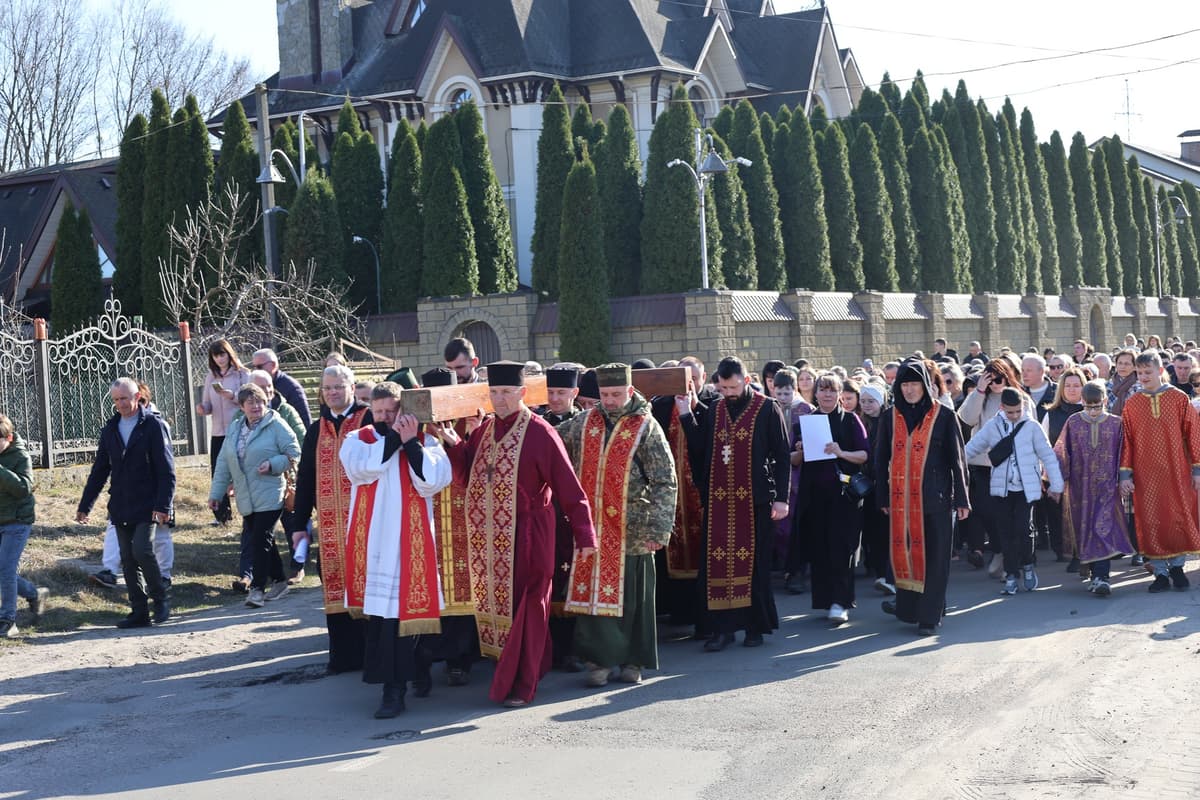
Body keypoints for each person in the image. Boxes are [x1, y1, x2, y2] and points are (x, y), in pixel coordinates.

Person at [440, 361, 596, 708]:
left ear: (522, 393)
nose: (501, 399)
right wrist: (455, 444)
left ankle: (520, 684)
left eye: (507, 392)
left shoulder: (541, 432)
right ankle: (528, 669)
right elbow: (466, 478)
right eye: (494, 393)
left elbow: (570, 487)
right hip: (493, 538)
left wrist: (585, 535)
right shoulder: (482, 432)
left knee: (530, 607)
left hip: (531, 535)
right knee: (509, 611)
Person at [556, 364, 675, 687]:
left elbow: (665, 480)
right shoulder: (584, 423)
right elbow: (552, 441)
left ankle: (632, 662)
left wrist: (659, 529)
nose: (609, 401)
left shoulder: (646, 427)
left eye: (615, 395)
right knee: (595, 604)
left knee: (633, 600)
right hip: (594, 529)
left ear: (629, 391)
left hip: (634, 529)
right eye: (605, 395)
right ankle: (599, 662)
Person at [340, 381, 452, 718]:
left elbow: (433, 480)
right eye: (379, 413)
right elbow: (362, 469)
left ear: (403, 411)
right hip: (374, 546)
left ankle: (397, 688)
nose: (386, 418)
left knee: (403, 618)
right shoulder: (358, 441)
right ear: (370, 412)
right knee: (383, 619)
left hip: (410, 546)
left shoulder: (426, 441)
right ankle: (404, 676)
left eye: (392, 412)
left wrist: (411, 444)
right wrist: (395, 439)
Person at [677, 356, 790, 648]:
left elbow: (781, 456)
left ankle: (754, 627)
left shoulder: (767, 408)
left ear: (747, 381)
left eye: (733, 387)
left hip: (756, 501)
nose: (728, 393)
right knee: (716, 565)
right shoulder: (715, 409)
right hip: (719, 502)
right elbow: (701, 447)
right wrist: (686, 414)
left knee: (754, 565)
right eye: (723, 388)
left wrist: (781, 499)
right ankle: (722, 629)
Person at [875, 359, 969, 635]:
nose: (910, 390)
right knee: (907, 554)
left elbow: (958, 461)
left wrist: (962, 499)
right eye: (904, 384)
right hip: (901, 501)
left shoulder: (944, 416)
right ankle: (911, 609)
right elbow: (880, 460)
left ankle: (929, 616)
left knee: (936, 558)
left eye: (915, 383)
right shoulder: (889, 417)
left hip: (936, 499)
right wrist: (882, 497)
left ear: (926, 385)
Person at [291, 365, 373, 672]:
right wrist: (300, 524)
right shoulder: (317, 428)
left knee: (367, 585)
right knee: (334, 586)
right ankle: (343, 656)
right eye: (327, 389)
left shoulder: (368, 419)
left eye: (338, 387)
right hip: (329, 528)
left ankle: (370, 655)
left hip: (365, 522)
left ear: (351, 387)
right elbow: (306, 478)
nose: (332, 393)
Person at [77, 377, 175, 628]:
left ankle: (161, 599)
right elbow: (100, 470)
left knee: (142, 549)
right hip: (121, 503)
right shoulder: (110, 429)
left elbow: (166, 469)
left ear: (137, 397)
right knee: (128, 559)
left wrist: (163, 505)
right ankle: (139, 611)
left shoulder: (153, 425)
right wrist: (85, 505)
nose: (121, 404)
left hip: (148, 502)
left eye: (125, 398)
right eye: (117, 400)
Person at [414, 367, 481, 689]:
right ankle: (424, 659)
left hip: (464, 518)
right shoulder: (415, 426)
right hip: (426, 518)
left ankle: (460, 660)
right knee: (431, 590)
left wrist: (465, 439)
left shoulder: (473, 422)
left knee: (464, 592)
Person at [965, 388, 1064, 596]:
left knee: (1023, 530)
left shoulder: (1032, 427)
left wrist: (1056, 485)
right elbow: (971, 448)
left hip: (1026, 489)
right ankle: (1011, 574)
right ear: (1002, 408)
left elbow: (1048, 456)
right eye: (1010, 412)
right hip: (1001, 490)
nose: (1015, 415)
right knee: (1005, 534)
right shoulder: (992, 426)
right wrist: (953, 462)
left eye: (1018, 411)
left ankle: (1027, 565)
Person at [208, 384, 300, 608]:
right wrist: (216, 493)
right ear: (241, 406)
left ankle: (258, 589)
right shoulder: (236, 427)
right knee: (263, 539)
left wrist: (273, 464)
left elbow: (294, 451)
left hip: (271, 491)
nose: (255, 406)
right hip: (246, 494)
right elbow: (223, 462)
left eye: (259, 401)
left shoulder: (275, 424)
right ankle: (279, 581)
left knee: (259, 539)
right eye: (250, 402)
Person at [1119, 351, 1200, 592]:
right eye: (1140, 372)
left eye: (1148, 372)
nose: (1143, 377)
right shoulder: (1132, 404)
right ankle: (1160, 573)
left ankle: (1177, 567)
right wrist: (1126, 474)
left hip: (1177, 469)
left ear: (1160, 371)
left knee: (1177, 516)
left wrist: (1196, 469)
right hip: (1146, 474)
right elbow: (1127, 441)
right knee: (1151, 519)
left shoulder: (1178, 398)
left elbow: (1192, 434)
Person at [794, 372, 868, 624]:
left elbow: (864, 455)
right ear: (815, 393)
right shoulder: (807, 421)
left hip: (844, 496)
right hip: (815, 495)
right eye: (823, 390)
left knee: (841, 548)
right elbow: (792, 460)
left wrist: (840, 451)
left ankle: (841, 601)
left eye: (832, 390)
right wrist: (800, 451)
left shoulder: (850, 420)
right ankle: (825, 600)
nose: (827, 394)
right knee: (820, 548)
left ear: (840, 395)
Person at [1054, 381, 1135, 597]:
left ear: (1105, 401)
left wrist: (1124, 478)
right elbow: (1061, 452)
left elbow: (1125, 452)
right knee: (1086, 528)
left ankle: (1102, 577)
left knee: (1104, 527)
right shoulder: (1073, 422)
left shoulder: (1116, 423)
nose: (1092, 411)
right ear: (1082, 402)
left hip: (1108, 486)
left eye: (1097, 406)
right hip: (1080, 486)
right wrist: (1056, 481)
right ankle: (1092, 572)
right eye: (1088, 407)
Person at [651, 356, 711, 628]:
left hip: (700, 492)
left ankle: (703, 616)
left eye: (694, 379)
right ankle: (676, 611)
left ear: (702, 378)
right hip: (669, 494)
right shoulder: (658, 407)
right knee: (670, 549)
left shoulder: (712, 405)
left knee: (703, 552)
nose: (690, 385)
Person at [958, 358, 1030, 575]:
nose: (995, 383)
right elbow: (966, 418)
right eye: (991, 379)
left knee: (1011, 517)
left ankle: (1011, 562)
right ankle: (999, 550)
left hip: (1013, 466)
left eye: (999, 378)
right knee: (987, 513)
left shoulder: (1021, 398)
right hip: (983, 466)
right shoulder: (981, 397)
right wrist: (979, 390)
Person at [541, 365, 585, 670]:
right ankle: (550, 647)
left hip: (577, 510)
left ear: (574, 393)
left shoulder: (585, 425)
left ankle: (574, 648)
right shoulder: (539, 425)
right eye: (551, 392)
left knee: (576, 576)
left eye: (561, 393)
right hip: (547, 511)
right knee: (550, 574)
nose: (555, 398)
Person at [0, 414, 48, 637]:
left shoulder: (20, 455)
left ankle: (8, 620)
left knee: (6, 569)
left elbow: (23, 488)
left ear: (8, 437)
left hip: (17, 522)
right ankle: (35, 594)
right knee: (2, 572)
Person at [195, 340, 250, 525]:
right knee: (219, 473)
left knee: (241, 471)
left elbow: (251, 400)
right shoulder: (211, 376)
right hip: (217, 432)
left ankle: (249, 512)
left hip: (239, 430)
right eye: (215, 356)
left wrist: (232, 396)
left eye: (222, 354)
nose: (219, 359)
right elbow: (207, 403)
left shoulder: (243, 374)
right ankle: (222, 517)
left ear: (229, 354)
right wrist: (203, 408)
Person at [1041, 367, 1086, 567]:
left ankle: (1082, 555)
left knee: (1082, 515)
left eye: (1076, 385)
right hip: (1058, 472)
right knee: (1059, 516)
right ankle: (1065, 552)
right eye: (1068, 385)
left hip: (1085, 473)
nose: (1072, 389)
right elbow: (1043, 445)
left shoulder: (1090, 411)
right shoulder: (1052, 414)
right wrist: (1045, 475)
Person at [857, 383, 892, 595]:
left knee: (886, 530)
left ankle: (887, 573)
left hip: (886, 482)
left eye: (871, 401)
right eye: (863, 401)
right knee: (873, 531)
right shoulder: (860, 422)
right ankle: (879, 571)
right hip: (867, 484)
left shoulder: (889, 422)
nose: (867, 405)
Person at [251, 348, 312, 428]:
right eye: (253, 367)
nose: (256, 370)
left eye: (259, 367)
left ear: (273, 365)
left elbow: (304, 421)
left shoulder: (291, 387)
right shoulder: (253, 385)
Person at [1108, 349, 1139, 416]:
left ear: (1135, 367)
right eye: (1120, 363)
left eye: (1127, 364)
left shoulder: (1139, 387)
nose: (1122, 367)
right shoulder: (1108, 385)